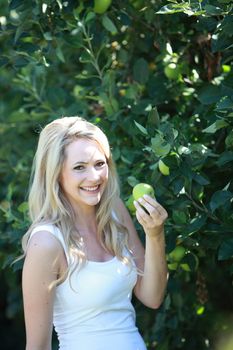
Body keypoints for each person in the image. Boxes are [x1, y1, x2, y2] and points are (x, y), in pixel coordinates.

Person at [22, 116, 168, 350]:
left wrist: (155, 235)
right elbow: (37, 346)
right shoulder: (46, 242)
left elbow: (152, 296)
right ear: (56, 173)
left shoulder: (115, 212)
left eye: (99, 164)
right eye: (80, 167)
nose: (95, 177)